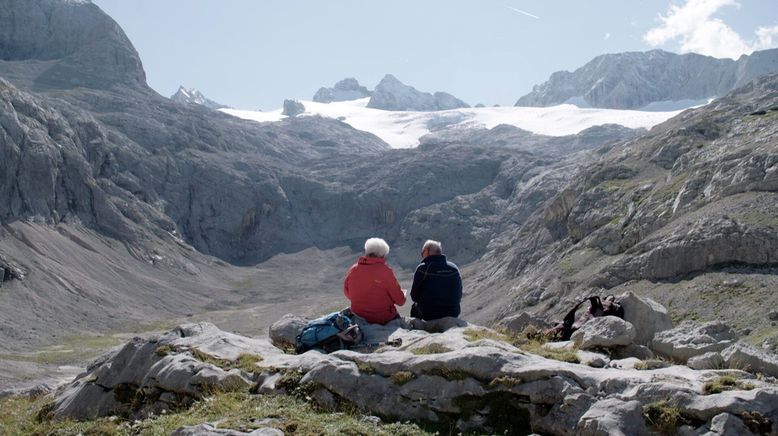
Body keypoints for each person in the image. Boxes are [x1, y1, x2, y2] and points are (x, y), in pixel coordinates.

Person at [343, 237, 406, 324]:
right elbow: (400, 301)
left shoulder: (354, 269)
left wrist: (362, 302)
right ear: (382, 255)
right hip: (383, 318)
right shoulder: (385, 271)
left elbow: (347, 290)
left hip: (358, 316)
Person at [410, 240, 462, 320]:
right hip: (453, 313)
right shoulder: (454, 268)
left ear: (427, 251)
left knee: (414, 307)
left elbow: (414, 296)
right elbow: (459, 294)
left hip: (429, 315)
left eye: (422, 252)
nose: (421, 255)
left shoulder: (423, 268)